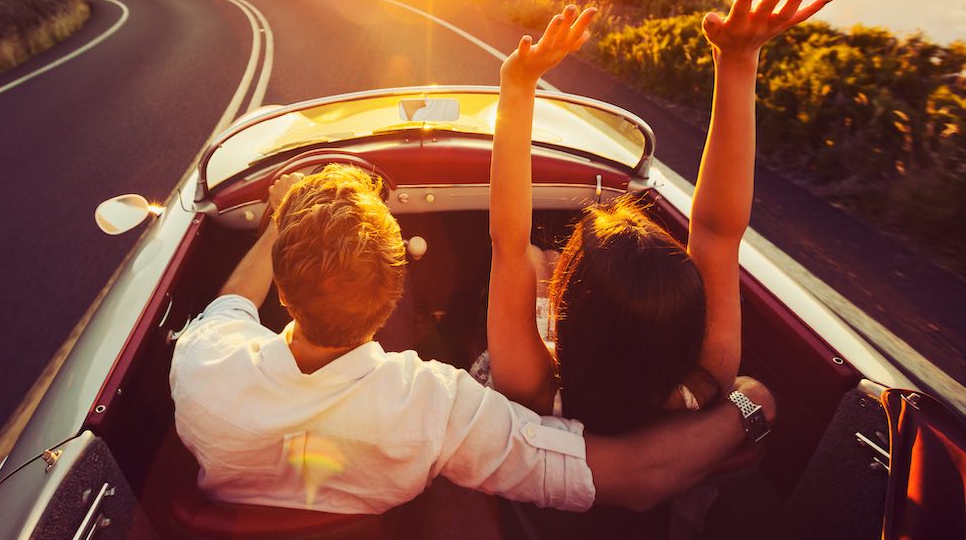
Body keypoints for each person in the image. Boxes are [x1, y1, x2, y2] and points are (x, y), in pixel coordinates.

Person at [170, 163, 778, 516]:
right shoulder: (436, 407)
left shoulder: (201, 364)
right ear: (393, 296)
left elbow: (230, 306)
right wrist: (748, 404)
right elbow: (637, 476)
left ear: (282, 287)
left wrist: (281, 222)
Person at [485, 0, 831, 431]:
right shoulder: (706, 377)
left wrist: (518, 83)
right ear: (686, 326)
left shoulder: (531, 386)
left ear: (564, 315)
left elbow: (508, 243)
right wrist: (739, 61)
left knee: (531, 257)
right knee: (531, 257)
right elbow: (717, 233)